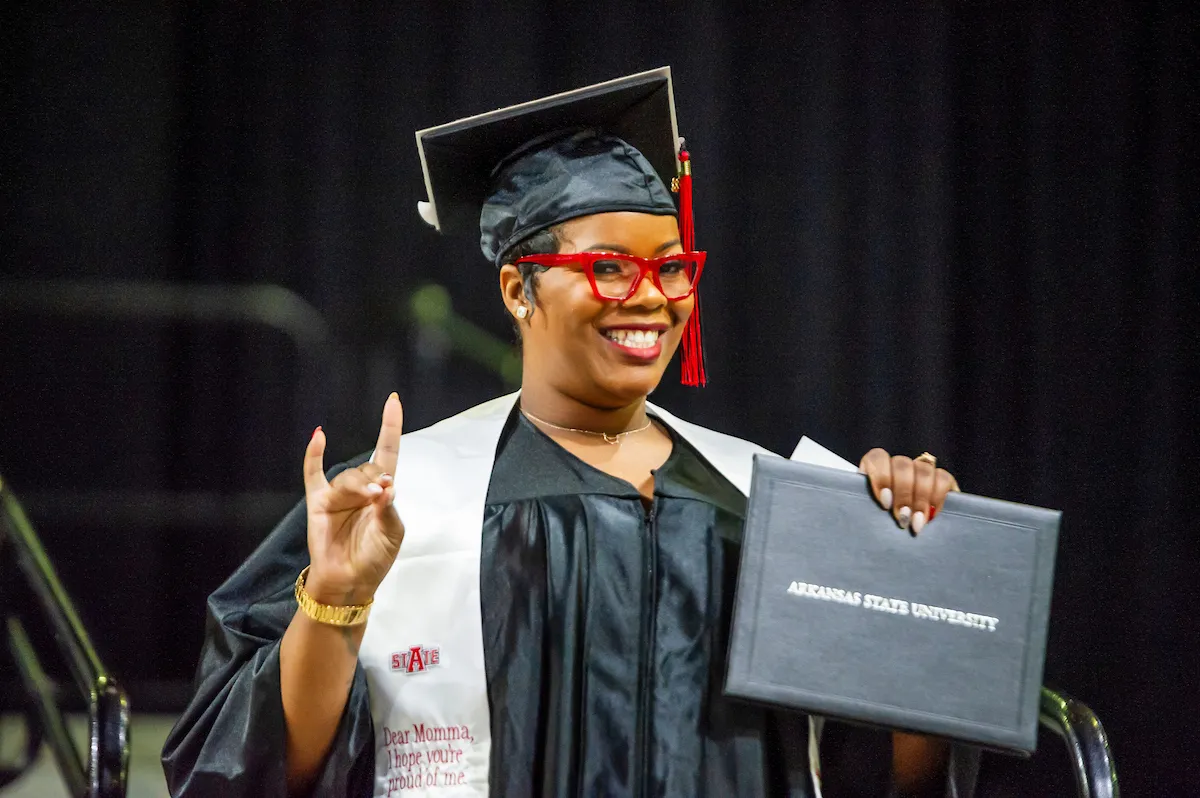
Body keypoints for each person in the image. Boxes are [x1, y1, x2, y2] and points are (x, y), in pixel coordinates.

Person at [162, 69, 974, 797]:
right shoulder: (400, 498)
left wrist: (907, 578)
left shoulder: (764, 493)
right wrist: (337, 598)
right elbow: (256, 774)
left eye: (671, 265)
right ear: (520, 289)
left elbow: (888, 777)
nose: (652, 297)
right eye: (611, 267)